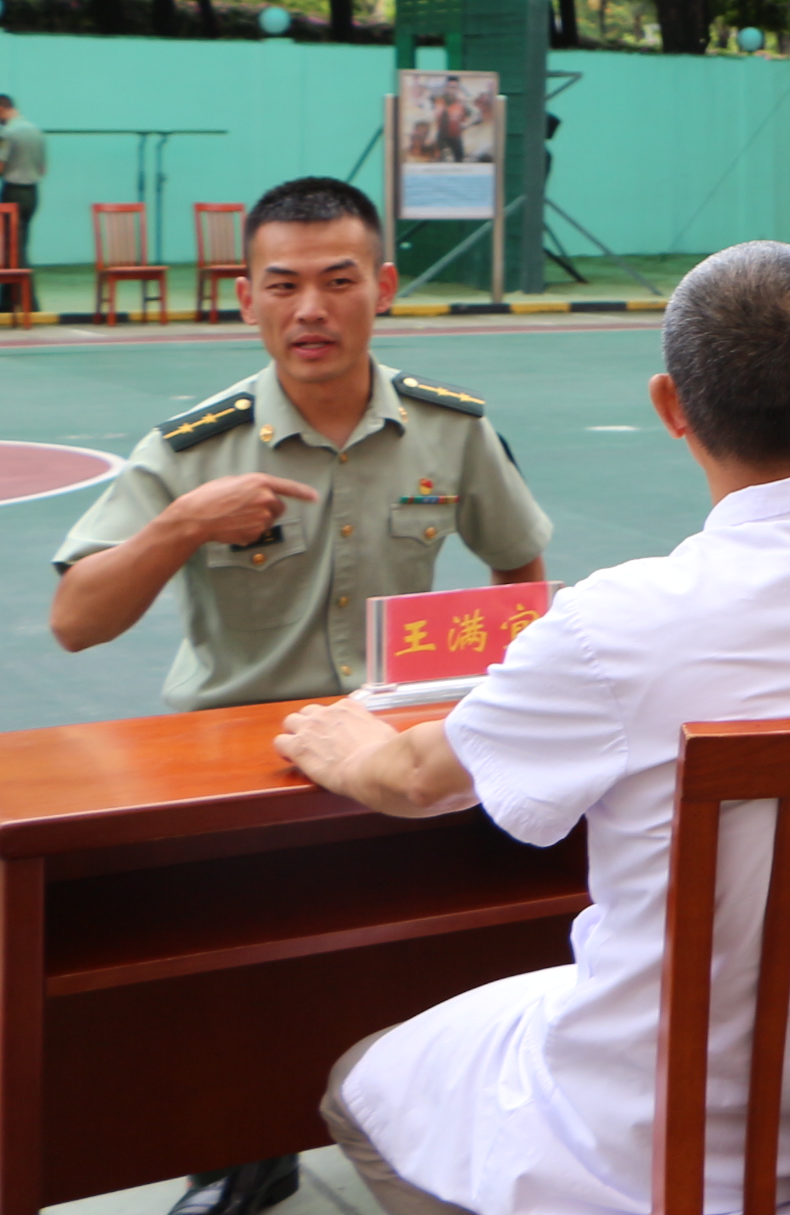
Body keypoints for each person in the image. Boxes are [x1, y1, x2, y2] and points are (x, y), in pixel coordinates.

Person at [277, 240, 790, 1215]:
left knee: (367, 1081)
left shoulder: (615, 624)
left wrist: (350, 747)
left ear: (672, 406)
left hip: (668, 1153)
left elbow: (420, 780)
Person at [46, 177, 552, 1215]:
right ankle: (236, 1150)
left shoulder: (450, 430)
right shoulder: (195, 446)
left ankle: (443, 1125)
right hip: (230, 756)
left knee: (463, 930)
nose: (311, 310)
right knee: (200, 969)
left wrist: (487, 692)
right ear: (246, 298)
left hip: (391, 749)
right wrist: (181, 526)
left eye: (338, 281)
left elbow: (523, 574)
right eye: (283, 285)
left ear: (385, 288)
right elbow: (77, 619)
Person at [0, 92, 43, 253]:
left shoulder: (6, 133)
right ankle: (25, 277)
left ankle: (13, 278)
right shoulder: (36, 131)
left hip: (13, 192)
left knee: (10, 243)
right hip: (32, 194)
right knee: (22, 242)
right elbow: (42, 169)